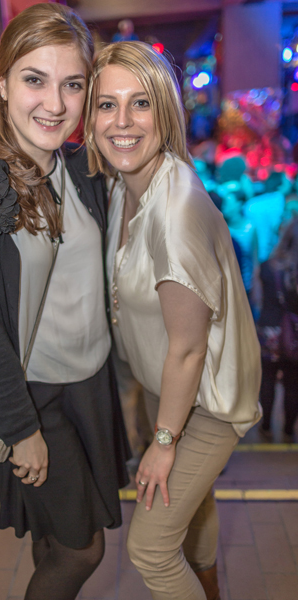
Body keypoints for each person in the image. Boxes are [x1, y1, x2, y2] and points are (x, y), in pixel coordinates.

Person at [0, 5, 130, 600]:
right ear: (1, 82)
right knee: (82, 550)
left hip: (90, 385)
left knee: (53, 540)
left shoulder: (84, 165)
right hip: (31, 395)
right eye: (34, 80)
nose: (54, 103)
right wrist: (21, 428)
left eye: (72, 84)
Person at [83, 42, 261, 600]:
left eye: (140, 103)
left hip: (208, 399)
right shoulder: (123, 185)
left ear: (166, 111)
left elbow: (188, 349)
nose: (122, 121)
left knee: (151, 548)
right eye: (107, 105)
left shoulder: (175, 210)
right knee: (195, 518)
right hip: (168, 390)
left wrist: (163, 442)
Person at [253, 217, 298, 442]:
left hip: (269, 330)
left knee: (268, 381)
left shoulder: (266, 267)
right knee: (293, 384)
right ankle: (289, 430)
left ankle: (266, 427)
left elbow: (257, 299)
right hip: (294, 335)